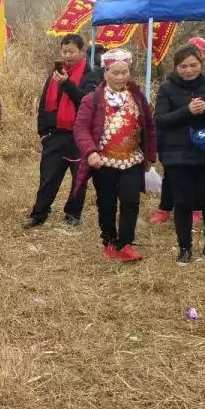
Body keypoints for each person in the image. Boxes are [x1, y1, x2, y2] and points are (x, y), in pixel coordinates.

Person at [154, 43, 205, 263]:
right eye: (183, 66)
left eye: (193, 65)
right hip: (177, 154)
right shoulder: (167, 88)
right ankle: (184, 247)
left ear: (202, 64)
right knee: (182, 201)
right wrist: (187, 111)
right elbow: (160, 120)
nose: (188, 70)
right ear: (175, 67)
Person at [73, 48, 157, 262]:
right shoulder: (92, 100)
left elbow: (149, 126)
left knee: (131, 201)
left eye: (125, 72)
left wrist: (150, 154)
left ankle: (125, 243)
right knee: (107, 202)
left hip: (132, 160)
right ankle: (109, 241)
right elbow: (81, 128)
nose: (121, 77)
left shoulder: (138, 98)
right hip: (104, 162)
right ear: (105, 73)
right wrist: (90, 152)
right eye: (115, 73)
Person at [23, 33, 101, 228]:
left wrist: (66, 84)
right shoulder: (55, 75)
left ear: (83, 51)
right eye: (64, 51)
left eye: (71, 51)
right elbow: (42, 105)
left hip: (78, 136)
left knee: (79, 179)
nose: (67, 55)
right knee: (48, 177)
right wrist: (43, 132)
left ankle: (73, 213)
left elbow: (86, 102)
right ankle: (39, 214)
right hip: (54, 135)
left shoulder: (91, 75)